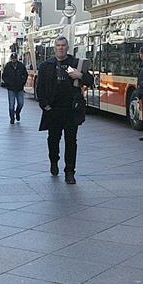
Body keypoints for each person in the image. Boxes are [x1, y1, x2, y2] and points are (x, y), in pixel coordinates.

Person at [36, 36, 94, 184]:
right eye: (58, 45)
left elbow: (90, 81)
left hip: (71, 109)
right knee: (53, 140)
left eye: (63, 45)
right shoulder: (47, 66)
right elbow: (40, 88)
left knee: (71, 142)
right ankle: (54, 161)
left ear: (67, 48)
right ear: (54, 48)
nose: (60, 48)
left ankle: (70, 171)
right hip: (53, 110)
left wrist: (79, 75)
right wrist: (45, 106)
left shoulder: (72, 64)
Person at [2, 53, 29, 124]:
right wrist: (8, 83)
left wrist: (22, 82)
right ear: (11, 58)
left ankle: (17, 112)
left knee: (21, 103)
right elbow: (4, 76)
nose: (14, 59)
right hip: (11, 88)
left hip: (19, 88)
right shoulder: (8, 66)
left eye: (15, 58)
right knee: (11, 105)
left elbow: (25, 74)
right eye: (12, 58)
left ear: (17, 58)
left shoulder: (21, 65)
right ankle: (12, 118)